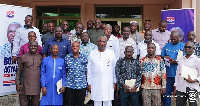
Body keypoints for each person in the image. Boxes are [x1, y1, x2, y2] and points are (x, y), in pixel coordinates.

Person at [87, 36, 117, 106]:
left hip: (108, 82)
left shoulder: (111, 53)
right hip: (96, 82)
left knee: (108, 101)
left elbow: (114, 68)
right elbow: (89, 69)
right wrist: (89, 83)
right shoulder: (92, 53)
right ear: (97, 43)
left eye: (104, 42)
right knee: (97, 101)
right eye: (100, 41)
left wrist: (114, 82)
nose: (102, 43)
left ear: (106, 43)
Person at [161, 31, 185, 106]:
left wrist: (177, 61)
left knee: (179, 95)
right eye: (172, 39)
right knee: (167, 94)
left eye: (175, 39)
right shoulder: (167, 46)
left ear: (179, 38)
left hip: (179, 75)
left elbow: (185, 59)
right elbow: (161, 57)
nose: (173, 41)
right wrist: (165, 57)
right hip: (167, 74)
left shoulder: (183, 46)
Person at [15, 41, 42, 106]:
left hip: (36, 86)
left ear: (37, 48)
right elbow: (19, 72)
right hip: (25, 85)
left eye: (35, 46)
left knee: (35, 104)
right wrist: (18, 83)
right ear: (28, 47)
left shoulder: (40, 57)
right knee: (24, 103)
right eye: (31, 46)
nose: (33, 47)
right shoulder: (23, 57)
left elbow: (43, 72)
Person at [173, 41, 200, 106]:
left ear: (193, 48)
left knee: (193, 105)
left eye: (189, 47)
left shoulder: (197, 60)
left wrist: (194, 80)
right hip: (181, 88)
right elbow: (177, 75)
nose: (187, 49)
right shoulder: (180, 60)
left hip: (192, 88)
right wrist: (175, 87)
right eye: (185, 47)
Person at [65, 42, 88, 106]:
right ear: (71, 47)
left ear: (79, 47)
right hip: (70, 85)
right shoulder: (67, 57)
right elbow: (66, 71)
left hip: (81, 85)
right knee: (70, 104)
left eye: (76, 46)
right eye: (73, 46)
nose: (75, 47)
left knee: (80, 104)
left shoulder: (84, 57)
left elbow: (86, 71)